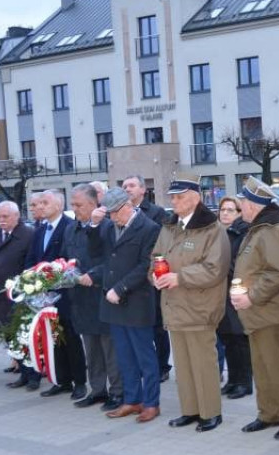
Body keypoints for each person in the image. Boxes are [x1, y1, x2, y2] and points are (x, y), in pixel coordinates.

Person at [152, 173, 231, 433]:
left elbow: (215, 269)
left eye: (179, 197)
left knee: (203, 363)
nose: (173, 201)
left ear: (195, 198)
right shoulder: (169, 226)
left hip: (199, 306)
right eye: (172, 197)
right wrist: (154, 274)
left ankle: (210, 412)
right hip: (174, 305)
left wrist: (180, 277)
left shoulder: (212, 229)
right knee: (183, 365)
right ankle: (190, 410)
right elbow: (156, 256)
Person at [232, 177, 279, 440]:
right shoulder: (259, 227)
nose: (240, 206)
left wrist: (251, 296)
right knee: (261, 366)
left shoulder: (272, 229)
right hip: (257, 312)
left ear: (253, 204)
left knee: (275, 366)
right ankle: (268, 414)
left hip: (268, 310)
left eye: (243, 202)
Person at [88, 187, 161, 423]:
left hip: (136, 301)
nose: (111, 218)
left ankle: (151, 403)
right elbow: (98, 254)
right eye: (108, 214)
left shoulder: (149, 228)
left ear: (127, 207)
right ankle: (132, 400)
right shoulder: (109, 226)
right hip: (112, 302)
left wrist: (120, 288)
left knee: (145, 358)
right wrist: (93, 226)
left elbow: (144, 266)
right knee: (124, 357)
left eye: (114, 213)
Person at [63, 184, 123, 411]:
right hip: (80, 297)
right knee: (91, 349)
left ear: (93, 204)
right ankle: (97, 390)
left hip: (101, 294)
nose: (74, 209)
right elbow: (70, 258)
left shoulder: (108, 227)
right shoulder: (71, 229)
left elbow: (113, 260)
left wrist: (93, 275)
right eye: (72, 204)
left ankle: (118, 392)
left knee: (110, 350)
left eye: (78, 205)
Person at [26, 189, 86, 401]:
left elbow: (71, 259)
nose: (41, 206)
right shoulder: (40, 230)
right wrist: (30, 280)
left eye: (45, 202)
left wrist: (54, 275)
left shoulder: (69, 227)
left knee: (70, 337)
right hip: (45, 295)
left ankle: (79, 382)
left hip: (66, 294)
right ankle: (62, 380)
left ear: (59, 206)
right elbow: (33, 259)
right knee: (53, 338)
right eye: (39, 202)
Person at [122, 174, 172, 384]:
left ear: (143, 190)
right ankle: (144, 364)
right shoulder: (120, 214)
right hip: (131, 279)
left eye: (132, 185)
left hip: (151, 276)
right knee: (140, 325)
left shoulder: (156, 213)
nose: (127, 189)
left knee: (158, 326)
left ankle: (162, 366)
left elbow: (162, 244)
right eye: (124, 186)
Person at [0, 201, 35, 387]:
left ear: (17, 216)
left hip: (20, 297)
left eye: (5, 217)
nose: (1, 220)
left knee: (24, 336)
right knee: (8, 335)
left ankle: (33, 375)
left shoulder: (28, 235)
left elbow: (32, 265)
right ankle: (22, 371)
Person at [217, 197, 253, 399]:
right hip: (221, 293)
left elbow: (241, 264)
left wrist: (217, 271)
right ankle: (232, 380)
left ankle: (245, 382)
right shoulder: (220, 232)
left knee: (240, 339)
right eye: (223, 209)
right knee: (227, 338)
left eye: (231, 210)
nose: (225, 213)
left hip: (237, 291)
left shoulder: (243, 232)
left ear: (239, 212)